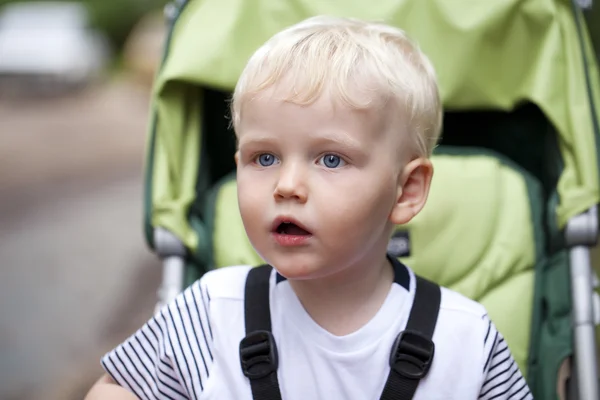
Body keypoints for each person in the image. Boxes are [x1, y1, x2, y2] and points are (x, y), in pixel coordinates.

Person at [85, 16, 533, 400]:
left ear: (406, 190)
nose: (287, 185)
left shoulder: (466, 341)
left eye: (331, 159)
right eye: (265, 158)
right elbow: (115, 388)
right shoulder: (210, 311)